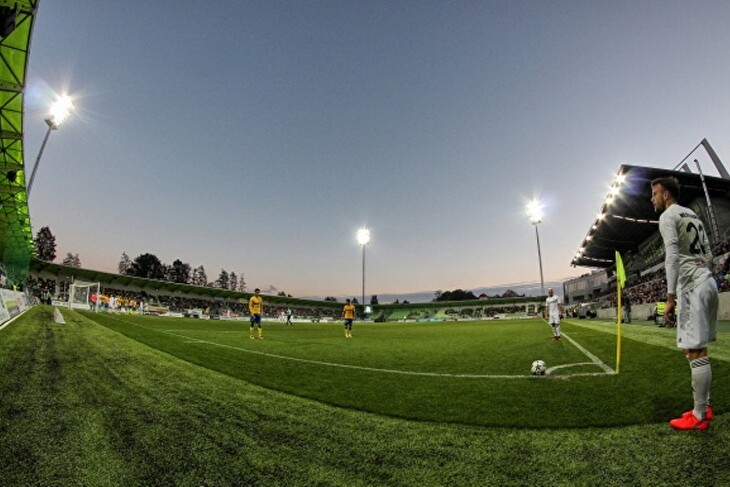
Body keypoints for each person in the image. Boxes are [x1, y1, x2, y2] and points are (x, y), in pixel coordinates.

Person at [651, 177, 719, 431]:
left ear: (666, 195)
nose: (652, 199)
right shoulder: (692, 214)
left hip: (692, 286)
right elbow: (709, 253)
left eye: (655, 193)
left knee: (695, 350)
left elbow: (672, 256)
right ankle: (703, 406)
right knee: (695, 350)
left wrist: (670, 297)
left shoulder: (668, 216)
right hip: (706, 281)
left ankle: (699, 414)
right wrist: (706, 274)